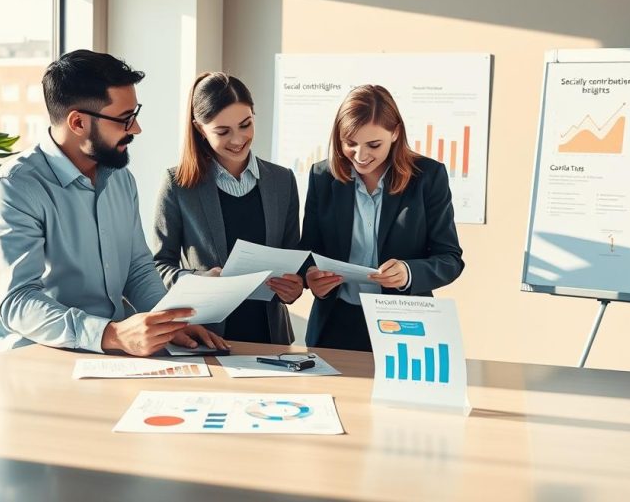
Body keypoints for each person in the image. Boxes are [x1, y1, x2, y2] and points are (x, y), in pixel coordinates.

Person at [0, 49, 228, 356]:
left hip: (110, 357)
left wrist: (168, 321)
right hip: (36, 359)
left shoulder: (121, 180)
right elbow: (18, 301)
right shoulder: (13, 188)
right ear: (78, 123)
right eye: (125, 119)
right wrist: (112, 334)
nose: (136, 129)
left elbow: (137, 267)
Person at [300, 84, 464, 351]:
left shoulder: (428, 177)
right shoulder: (322, 176)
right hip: (335, 325)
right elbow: (309, 250)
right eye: (350, 143)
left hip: (405, 324)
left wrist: (408, 273)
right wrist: (312, 278)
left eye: (373, 144)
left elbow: (450, 259)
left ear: (395, 132)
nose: (361, 155)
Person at [152, 72, 303, 345]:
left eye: (245, 125)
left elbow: (292, 259)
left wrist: (294, 288)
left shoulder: (283, 181)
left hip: (271, 339)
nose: (238, 139)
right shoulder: (178, 184)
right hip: (205, 337)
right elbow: (158, 266)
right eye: (223, 131)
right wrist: (201, 280)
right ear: (199, 128)